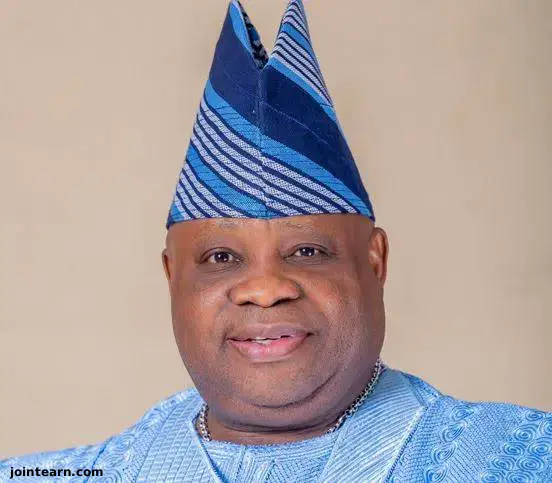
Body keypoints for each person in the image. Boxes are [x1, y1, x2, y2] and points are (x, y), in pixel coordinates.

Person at [1, 1, 551, 481]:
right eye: (221, 257)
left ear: (375, 261)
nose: (265, 289)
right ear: (172, 276)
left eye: (307, 252)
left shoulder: (528, 460)